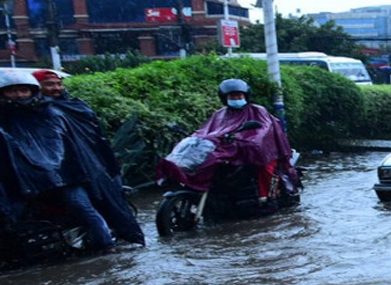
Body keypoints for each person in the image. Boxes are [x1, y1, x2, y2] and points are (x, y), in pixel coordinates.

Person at [0, 71, 143, 253]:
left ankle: (108, 246)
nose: (19, 95)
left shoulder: (50, 112)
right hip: (21, 176)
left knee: (80, 205)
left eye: (23, 91)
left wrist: (49, 168)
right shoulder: (4, 118)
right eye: (12, 91)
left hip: (65, 174)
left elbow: (58, 145)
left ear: (32, 91)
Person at [160, 78, 297, 204]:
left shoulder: (258, 110)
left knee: (267, 169)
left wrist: (249, 140)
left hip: (260, 150)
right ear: (225, 98)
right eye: (232, 96)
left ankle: (270, 197)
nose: (236, 98)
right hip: (229, 148)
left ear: (245, 96)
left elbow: (264, 130)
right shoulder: (220, 114)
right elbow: (207, 130)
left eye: (239, 96)